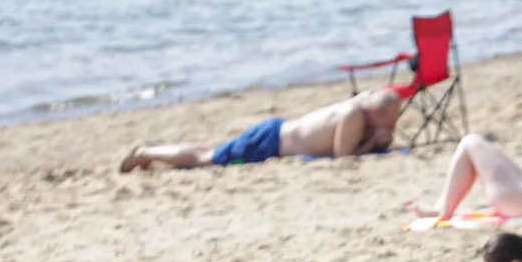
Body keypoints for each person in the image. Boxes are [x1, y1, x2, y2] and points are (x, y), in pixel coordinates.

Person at [119, 89, 406, 172]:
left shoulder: (364, 108)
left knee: (209, 154)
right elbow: (344, 157)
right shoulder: (353, 114)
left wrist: (378, 140)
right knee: (207, 159)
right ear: (376, 112)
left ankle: (150, 151)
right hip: (269, 143)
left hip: (277, 135)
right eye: (389, 122)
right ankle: (145, 151)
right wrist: (373, 145)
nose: (391, 128)